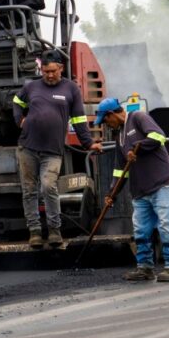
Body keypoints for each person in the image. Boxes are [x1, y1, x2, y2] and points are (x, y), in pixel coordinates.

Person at [12, 50, 100, 248]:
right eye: (45, 71)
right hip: (28, 147)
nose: (49, 75)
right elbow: (17, 102)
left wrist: (88, 143)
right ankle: (34, 231)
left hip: (52, 150)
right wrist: (20, 120)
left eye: (53, 71)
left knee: (48, 186)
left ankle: (54, 230)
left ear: (61, 67)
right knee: (29, 191)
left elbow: (78, 119)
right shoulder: (32, 87)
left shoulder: (71, 89)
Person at [94, 98, 169, 283]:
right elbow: (120, 171)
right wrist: (112, 194)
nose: (105, 125)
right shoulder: (119, 138)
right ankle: (145, 268)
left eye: (105, 120)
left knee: (166, 226)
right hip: (140, 191)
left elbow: (158, 136)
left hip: (162, 184)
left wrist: (138, 148)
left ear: (112, 114)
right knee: (141, 231)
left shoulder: (138, 118)